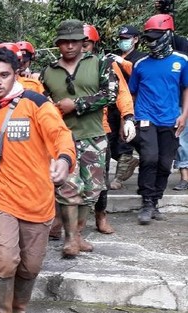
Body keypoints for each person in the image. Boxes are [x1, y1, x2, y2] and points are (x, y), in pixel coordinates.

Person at [0, 48, 75, 313]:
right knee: (4, 259)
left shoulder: (36, 103)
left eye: (4, 75)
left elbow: (61, 134)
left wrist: (63, 159)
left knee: (30, 265)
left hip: (37, 199)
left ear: (16, 74)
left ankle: (20, 310)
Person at [41, 19, 118, 257]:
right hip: (62, 139)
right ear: (58, 44)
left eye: (74, 41)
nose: (69, 47)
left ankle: (79, 234)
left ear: (83, 43)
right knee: (67, 188)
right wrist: (53, 108)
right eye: (64, 42)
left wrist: (76, 104)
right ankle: (70, 238)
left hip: (94, 135)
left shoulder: (100, 63)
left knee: (92, 189)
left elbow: (111, 94)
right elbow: (41, 104)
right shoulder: (49, 70)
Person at [129, 14, 188, 223]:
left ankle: (155, 202)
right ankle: (146, 202)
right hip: (145, 117)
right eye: (149, 37)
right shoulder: (141, 64)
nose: (152, 41)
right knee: (150, 158)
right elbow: (132, 93)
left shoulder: (181, 61)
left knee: (165, 163)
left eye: (156, 36)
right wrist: (130, 119)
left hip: (171, 118)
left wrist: (184, 115)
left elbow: (186, 89)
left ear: (167, 35)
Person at [82, 24, 137, 235]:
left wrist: (128, 117)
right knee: (67, 177)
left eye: (85, 44)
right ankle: (64, 220)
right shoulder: (61, 66)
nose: (80, 48)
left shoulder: (105, 65)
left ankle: (100, 215)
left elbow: (122, 92)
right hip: (69, 128)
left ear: (93, 45)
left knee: (100, 178)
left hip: (98, 127)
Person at [109, 25, 147, 191]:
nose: (123, 41)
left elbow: (140, 75)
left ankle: (118, 178)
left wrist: (123, 63)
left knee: (126, 139)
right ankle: (132, 161)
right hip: (112, 103)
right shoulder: (113, 57)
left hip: (132, 103)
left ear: (136, 39)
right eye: (121, 39)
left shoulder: (140, 58)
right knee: (110, 140)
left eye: (126, 38)